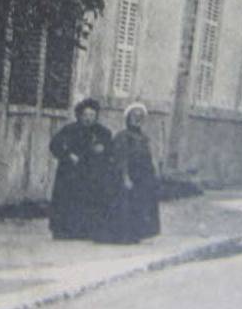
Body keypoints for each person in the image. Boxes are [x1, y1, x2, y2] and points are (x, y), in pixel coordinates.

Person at [48, 98, 114, 240]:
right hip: (70, 174)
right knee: (68, 202)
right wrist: (68, 155)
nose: (88, 119)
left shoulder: (103, 132)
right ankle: (64, 231)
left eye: (92, 115)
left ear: (96, 116)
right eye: (85, 115)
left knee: (90, 201)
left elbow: (111, 151)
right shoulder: (69, 130)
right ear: (79, 115)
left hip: (92, 174)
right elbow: (54, 145)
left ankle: (87, 231)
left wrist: (103, 150)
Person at [98, 103, 161, 244]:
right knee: (125, 206)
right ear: (128, 118)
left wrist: (154, 173)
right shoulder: (123, 136)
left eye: (140, 117)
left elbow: (149, 157)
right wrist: (125, 177)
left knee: (140, 205)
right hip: (127, 176)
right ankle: (123, 236)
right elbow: (121, 158)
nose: (137, 119)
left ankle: (136, 234)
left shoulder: (144, 137)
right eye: (134, 116)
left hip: (142, 177)